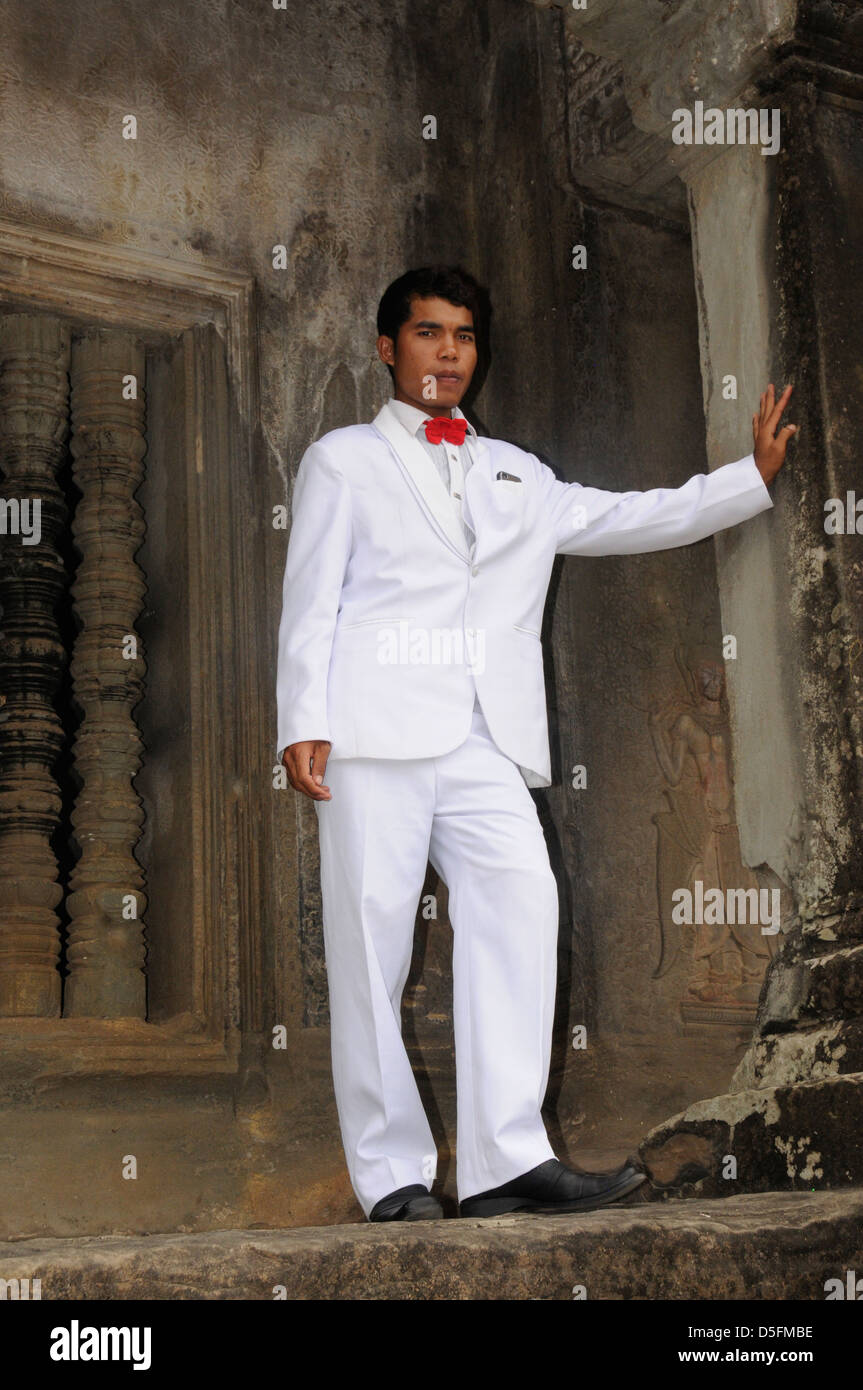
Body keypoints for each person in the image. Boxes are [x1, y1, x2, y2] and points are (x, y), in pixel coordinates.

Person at [275, 265, 795, 1221]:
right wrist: (300, 717)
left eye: (462, 336)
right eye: (427, 334)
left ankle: (503, 1163)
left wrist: (744, 483)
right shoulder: (342, 458)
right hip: (371, 729)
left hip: (483, 739)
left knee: (522, 911)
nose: (447, 352)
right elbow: (310, 595)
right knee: (370, 948)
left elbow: (624, 516)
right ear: (389, 349)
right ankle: (390, 1177)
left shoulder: (516, 471)